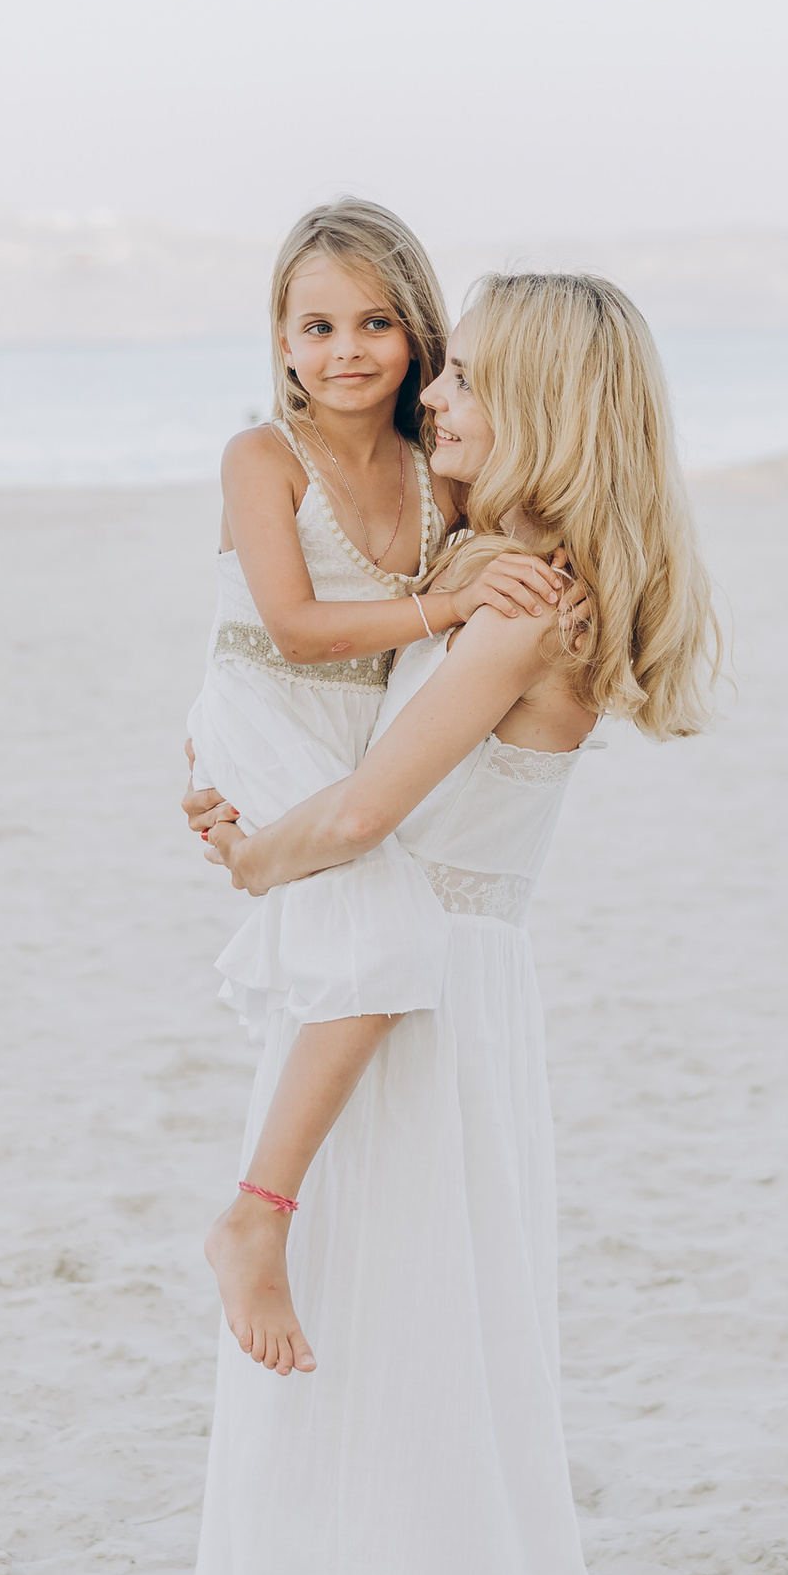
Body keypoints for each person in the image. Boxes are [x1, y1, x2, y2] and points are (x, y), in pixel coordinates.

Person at [182, 272, 720, 1575]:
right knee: (376, 1347)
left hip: (428, 997)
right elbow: (326, 737)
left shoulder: (527, 604)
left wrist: (255, 854)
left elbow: (367, 811)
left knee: (416, 1356)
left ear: (551, 409)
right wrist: (244, 795)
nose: (434, 398)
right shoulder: (487, 568)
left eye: (469, 379)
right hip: (402, 977)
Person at [185, 201, 568, 1029]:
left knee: (369, 930)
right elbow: (292, 628)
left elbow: (524, 513)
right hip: (267, 708)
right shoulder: (262, 459)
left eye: (375, 322)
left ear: (415, 332)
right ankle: (272, 1165)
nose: (347, 349)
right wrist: (452, 604)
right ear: (284, 344)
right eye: (317, 327)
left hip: (364, 727)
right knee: (377, 934)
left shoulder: (441, 472)